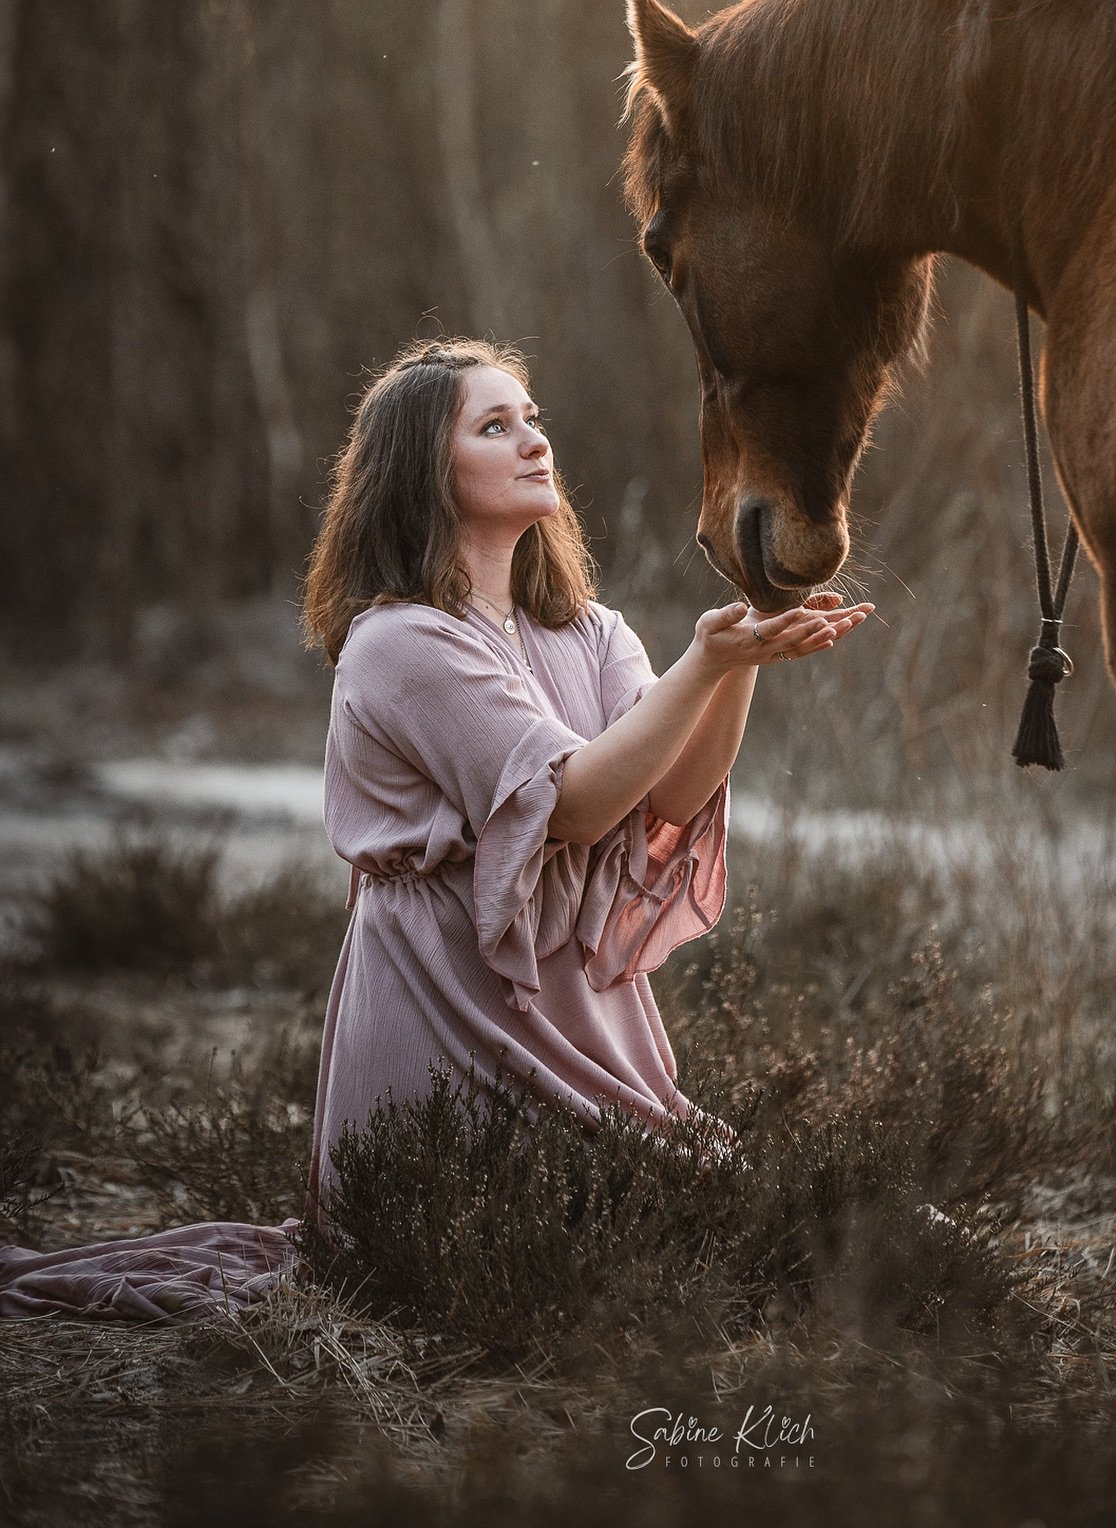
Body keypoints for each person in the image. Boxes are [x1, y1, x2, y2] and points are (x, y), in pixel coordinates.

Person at [0, 337, 872, 1320]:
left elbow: (668, 798)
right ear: (424, 471)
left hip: (577, 1017)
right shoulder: (398, 644)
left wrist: (740, 661)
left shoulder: (590, 633)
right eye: (494, 427)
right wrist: (703, 670)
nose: (533, 440)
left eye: (531, 418)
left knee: (743, 1217)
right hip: (444, 1010)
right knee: (572, 1247)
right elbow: (577, 802)